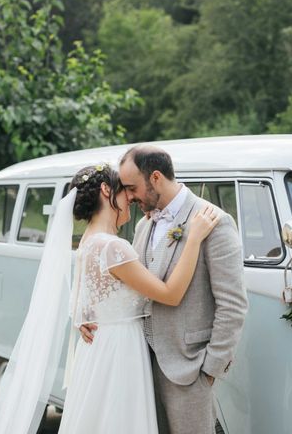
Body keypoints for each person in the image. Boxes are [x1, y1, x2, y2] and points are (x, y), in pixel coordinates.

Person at [0, 164, 219, 434]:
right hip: (120, 349)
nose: (131, 197)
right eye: (126, 191)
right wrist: (194, 239)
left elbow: (87, 296)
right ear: (107, 190)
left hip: (98, 347)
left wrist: (80, 317)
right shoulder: (112, 247)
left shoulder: (88, 242)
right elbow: (170, 294)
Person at [81, 145, 248, 434]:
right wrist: (92, 312)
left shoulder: (214, 222)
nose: (129, 197)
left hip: (189, 369)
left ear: (155, 177)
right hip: (140, 365)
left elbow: (233, 305)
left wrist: (209, 370)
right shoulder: (143, 227)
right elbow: (130, 286)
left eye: (132, 188)